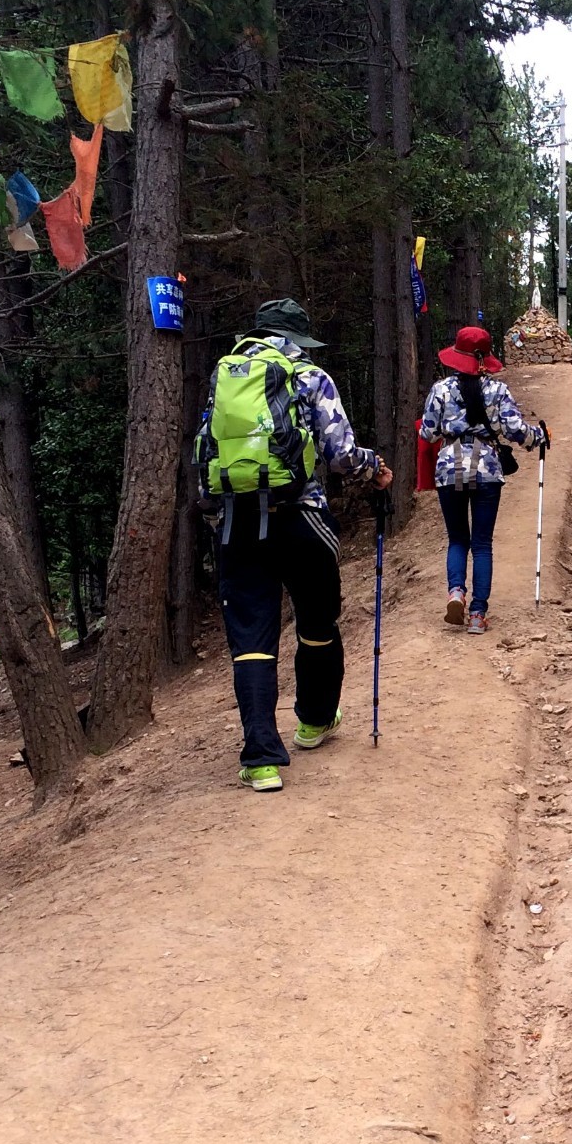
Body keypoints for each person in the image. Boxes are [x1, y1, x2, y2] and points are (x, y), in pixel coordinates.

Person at [202, 298, 392, 792]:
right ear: (296, 339)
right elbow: (341, 453)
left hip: (237, 524)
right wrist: (375, 470)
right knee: (317, 622)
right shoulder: (309, 377)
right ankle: (313, 721)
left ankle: (261, 759)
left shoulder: (226, 377)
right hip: (302, 520)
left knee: (250, 641)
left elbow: (206, 453)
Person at [419, 325, 547, 636]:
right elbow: (517, 431)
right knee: (482, 543)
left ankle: (455, 593)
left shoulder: (440, 391)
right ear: (485, 358)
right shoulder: (497, 391)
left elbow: (428, 432)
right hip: (487, 469)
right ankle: (478, 614)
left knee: (458, 538)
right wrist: (540, 437)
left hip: (450, 468)